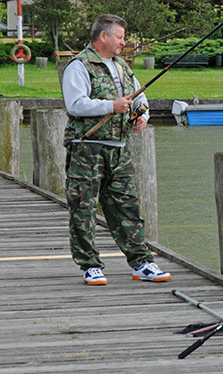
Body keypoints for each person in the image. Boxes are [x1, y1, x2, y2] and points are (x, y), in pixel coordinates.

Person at [62, 14, 171, 286]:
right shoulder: (78, 66)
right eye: (120, 37)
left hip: (119, 149)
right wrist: (111, 106)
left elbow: (139, 98)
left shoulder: (122, 66)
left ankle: (142, 263)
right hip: (86, 149)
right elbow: (76, 104)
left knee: (127, 207)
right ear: (103, 36)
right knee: (84, 210)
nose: (124, 42)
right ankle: (90, 266)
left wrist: (140, 117)